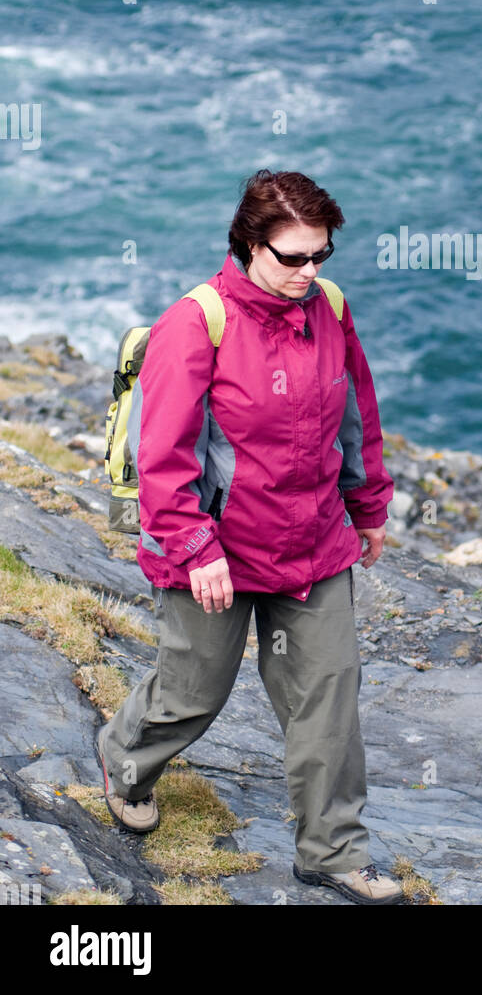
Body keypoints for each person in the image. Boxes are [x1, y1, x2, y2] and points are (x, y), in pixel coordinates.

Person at [95, 168, 404, 905]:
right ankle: (123, 756)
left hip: (313, 545)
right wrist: (196, 550)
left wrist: (367, 508)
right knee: (192, 694)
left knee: (328, 696)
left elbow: (355, 411)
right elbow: (164, 457)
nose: (308, 272)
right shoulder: (195, 323)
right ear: (248, 244)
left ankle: (332, 851)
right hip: (216, 554)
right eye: (291, 257)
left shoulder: (329, 307)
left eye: (320, 255)